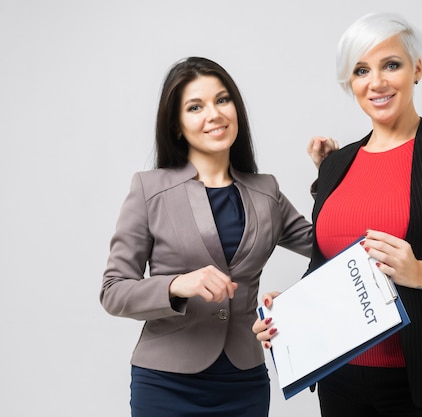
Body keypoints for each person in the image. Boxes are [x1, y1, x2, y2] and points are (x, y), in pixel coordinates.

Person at [253, 12, 422, 417]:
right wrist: (288, 309)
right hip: (338, 377)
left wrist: (419, 273)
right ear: (351, 83)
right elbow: (326, 265)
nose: (376, 82)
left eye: (390, 65)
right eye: (361, 70)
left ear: (417, 69)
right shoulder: (335, 164)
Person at [100, 57, 337, 417]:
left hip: (244, 381)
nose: (214, 114)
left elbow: (329, 246)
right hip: (166, 382)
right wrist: (178, 284)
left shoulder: (266, 191)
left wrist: (330, 177)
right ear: (178, 125)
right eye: (196, 107)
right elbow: (113, 291)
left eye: (222, 100)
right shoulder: (149, 190)